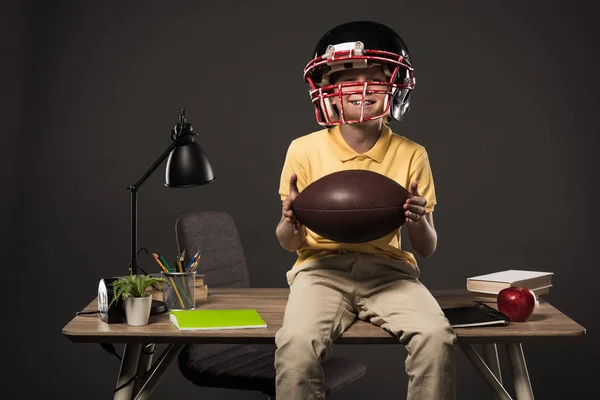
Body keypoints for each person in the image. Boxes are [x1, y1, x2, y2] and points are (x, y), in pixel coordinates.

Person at [274, 21, 457, 399]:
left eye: (373, 79)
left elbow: (426, 247)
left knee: (437, 337)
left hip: (389, 272)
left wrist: (418, 220)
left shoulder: (412, 153)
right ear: (328, 90)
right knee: (295, 343)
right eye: (346, 79)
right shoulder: (303, 149)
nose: (360, 89)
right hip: (320, 271)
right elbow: (289, 243)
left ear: (394, 86)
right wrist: (292, 219)